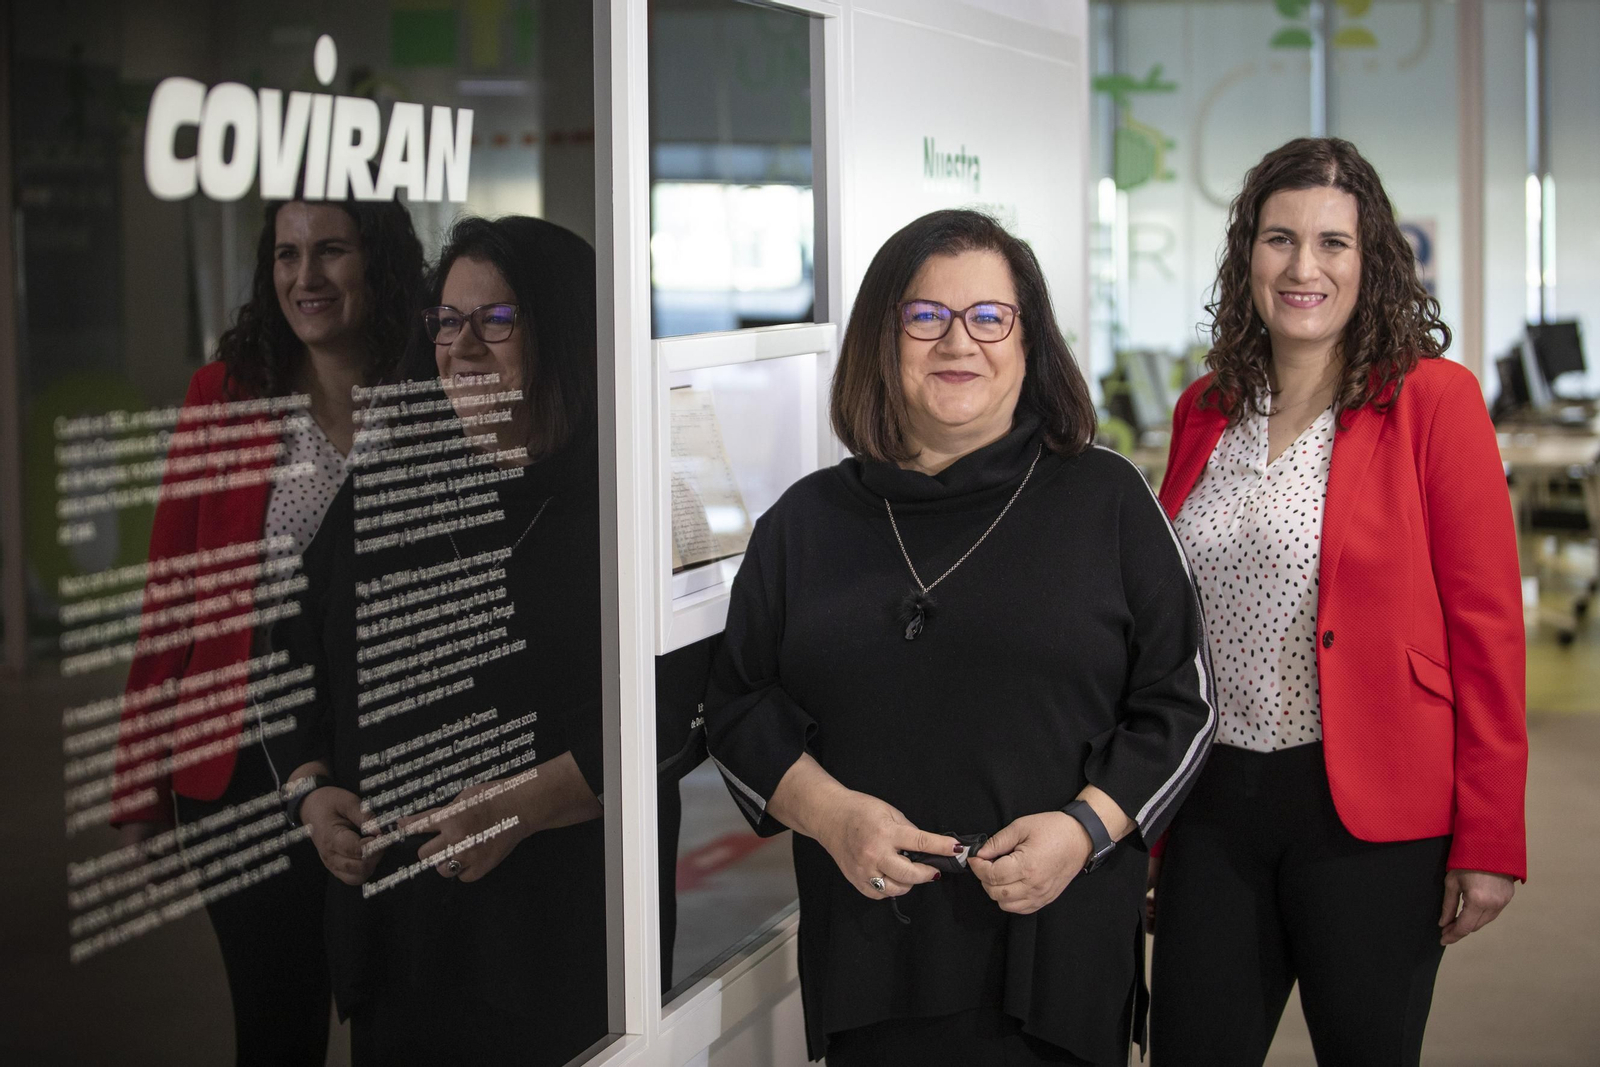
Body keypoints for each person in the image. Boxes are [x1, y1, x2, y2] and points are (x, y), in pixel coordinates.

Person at [705, 209, 1216, 1066]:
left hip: (1058, 944)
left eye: (989, 316)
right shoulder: (804, 524)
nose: (958, 342)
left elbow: (1183, 702)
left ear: (1027, 343)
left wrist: (1085, 830)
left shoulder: (1107, 499)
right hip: (874, 954)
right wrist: (832, 818)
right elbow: (736, 706)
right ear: (883, 337)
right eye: (925, 316)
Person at [1147, 137, 1527, 1067]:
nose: (1303, 266)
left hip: (1371, 811)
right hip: (1211, 801)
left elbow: (1488, 627)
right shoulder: (1208, 405)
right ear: (1249, 259)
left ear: (1373, 263)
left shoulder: (1434, 401)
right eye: (1279, 240)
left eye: (1332, 243)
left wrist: (1492, 833)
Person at [276, 215, 609, 1065]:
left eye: (496, 322)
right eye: (447, 322)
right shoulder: (393, 481)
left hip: (553, 939)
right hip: (399, 937)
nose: (463, 347)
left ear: (563, 332)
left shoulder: (621, 503)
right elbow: (290, 642)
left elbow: (677, 710)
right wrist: (312, 788)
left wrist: (517, 807)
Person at [111, 194, 425, 1066]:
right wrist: (141, 787)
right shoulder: (226, 393)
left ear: (379, 261)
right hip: (242, 764)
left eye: (331, 251)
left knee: (398, 1016)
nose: (305, 277)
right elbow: (171, 596)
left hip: (384, 745)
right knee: (276, 1026)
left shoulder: (428, 389)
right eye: (287, 256)